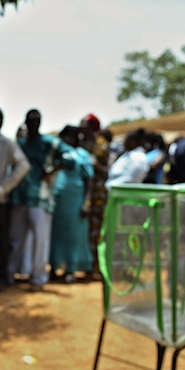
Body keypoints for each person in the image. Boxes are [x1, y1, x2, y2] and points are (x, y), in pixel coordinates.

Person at [9, 109, 59, 292]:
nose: (32, 124)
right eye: (30, 120)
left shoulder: (48, 143)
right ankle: (11, 273)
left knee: (40, 240)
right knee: (16, 238)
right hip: (20, 196)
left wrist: (52, 170)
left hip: (40, 198)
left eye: (36, 120)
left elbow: (69, 158)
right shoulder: (20, 144)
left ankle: (38, 278)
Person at [0, 107, 29, 291]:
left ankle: (0, 277)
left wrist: (4, 188)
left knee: (0, 240)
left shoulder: (6, 143)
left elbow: (23, 165)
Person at [49, 125, 94, 283]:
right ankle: (54, 267)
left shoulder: (82, 155)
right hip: (57, 200)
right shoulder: (57, 154)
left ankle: (72, 269)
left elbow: (89, 181)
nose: (68, 140)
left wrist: (86, 203)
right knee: (56, 235)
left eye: (71, 136)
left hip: (75, 201)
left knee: (74, 236)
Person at [79, 114, 110, 279]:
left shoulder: (101, 145)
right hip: (80, 193)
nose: (80, 126)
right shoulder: (81, 144)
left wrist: (94, 165)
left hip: (97, 195)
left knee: (96, 232)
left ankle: (95, 267)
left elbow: (107, 171)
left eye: (83, 123)